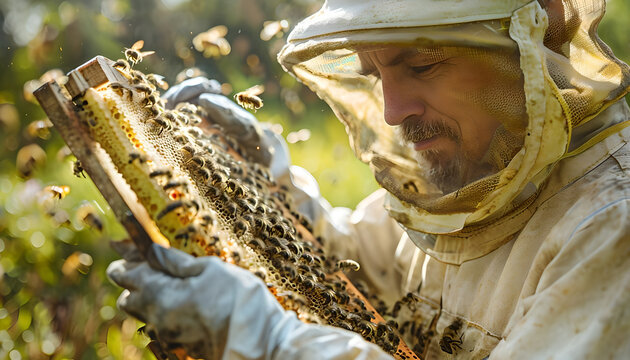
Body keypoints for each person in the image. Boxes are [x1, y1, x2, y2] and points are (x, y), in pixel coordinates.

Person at [106, 0, 630, 358]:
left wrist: (262, 338)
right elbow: (358, 269)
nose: (393, 112)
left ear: (533, 46)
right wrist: (262, 184)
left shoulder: (609, 229)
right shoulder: (470, 178)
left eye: (422, 65)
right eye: (376, 75)